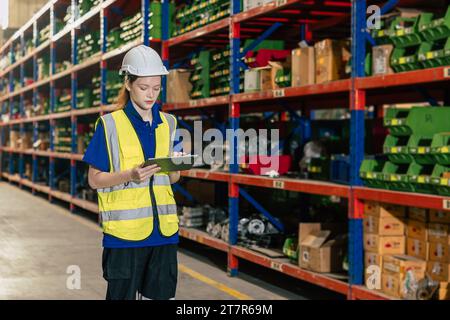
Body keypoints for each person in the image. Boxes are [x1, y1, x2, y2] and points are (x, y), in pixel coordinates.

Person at [83, 45, 184, 300]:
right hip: (124, 237)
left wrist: (175, 166)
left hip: (164, 233)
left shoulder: (169, 124)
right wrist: (130, 175)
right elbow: (94, 180)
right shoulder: (110, 125)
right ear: (128, 83)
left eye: (156, 88)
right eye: (143, 87)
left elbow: (173, 180)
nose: (151, 95)